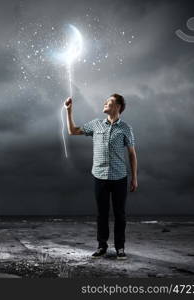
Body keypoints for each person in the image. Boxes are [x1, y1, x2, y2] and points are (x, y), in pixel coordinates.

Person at [64, 94, 138, 260]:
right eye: (105, 101)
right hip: (100, 176)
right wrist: (69, 111)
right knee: (101, 214)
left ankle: (120, 247)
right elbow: (72, 131)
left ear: (118, 106)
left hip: (119, 177)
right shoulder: (96, 124)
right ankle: (101, 246)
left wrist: (134, 178)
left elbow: (132, 154)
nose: (105, 103)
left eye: (109, 102)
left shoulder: (126, 128)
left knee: (120, 214)